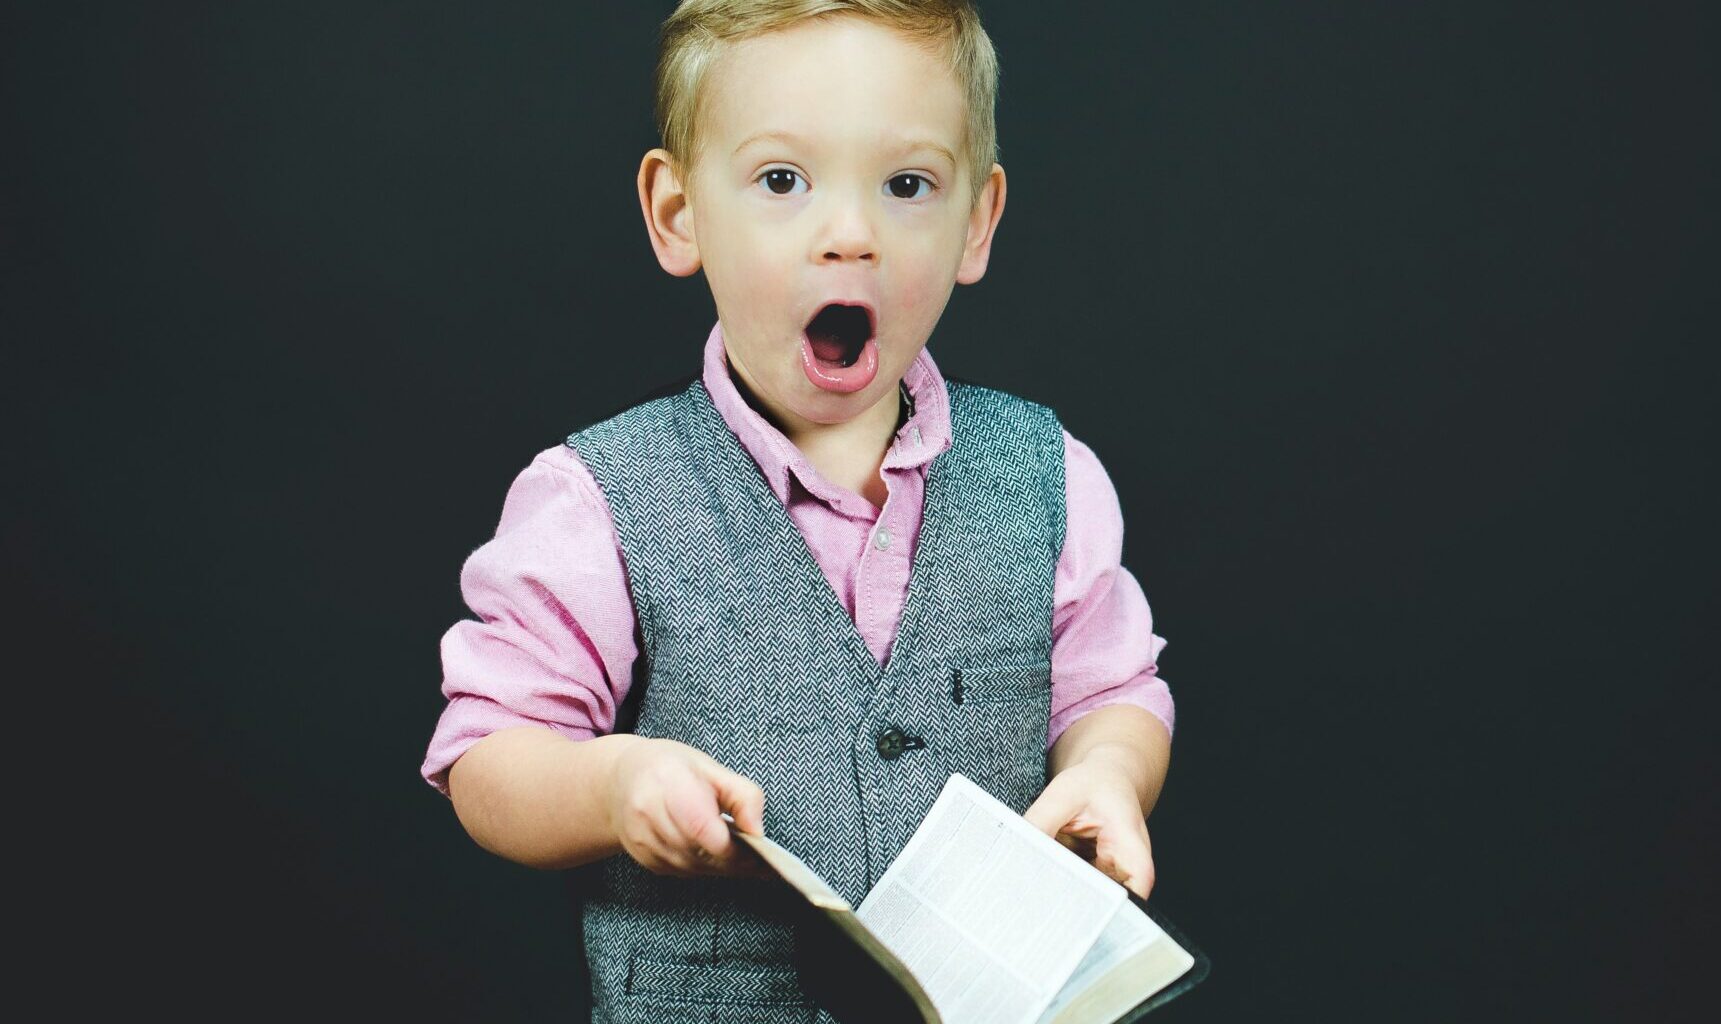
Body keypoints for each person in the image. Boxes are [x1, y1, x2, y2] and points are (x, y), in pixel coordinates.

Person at [417, 2, 1175, 1017]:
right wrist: (609, 785)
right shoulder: (597, 500)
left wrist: (1112, 771)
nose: (850, 235)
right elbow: (486, 755)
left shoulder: (1048, 475)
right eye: (782, 181)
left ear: (976, 223)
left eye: (907, 185)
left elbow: (1111, 689)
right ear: (678, 214)